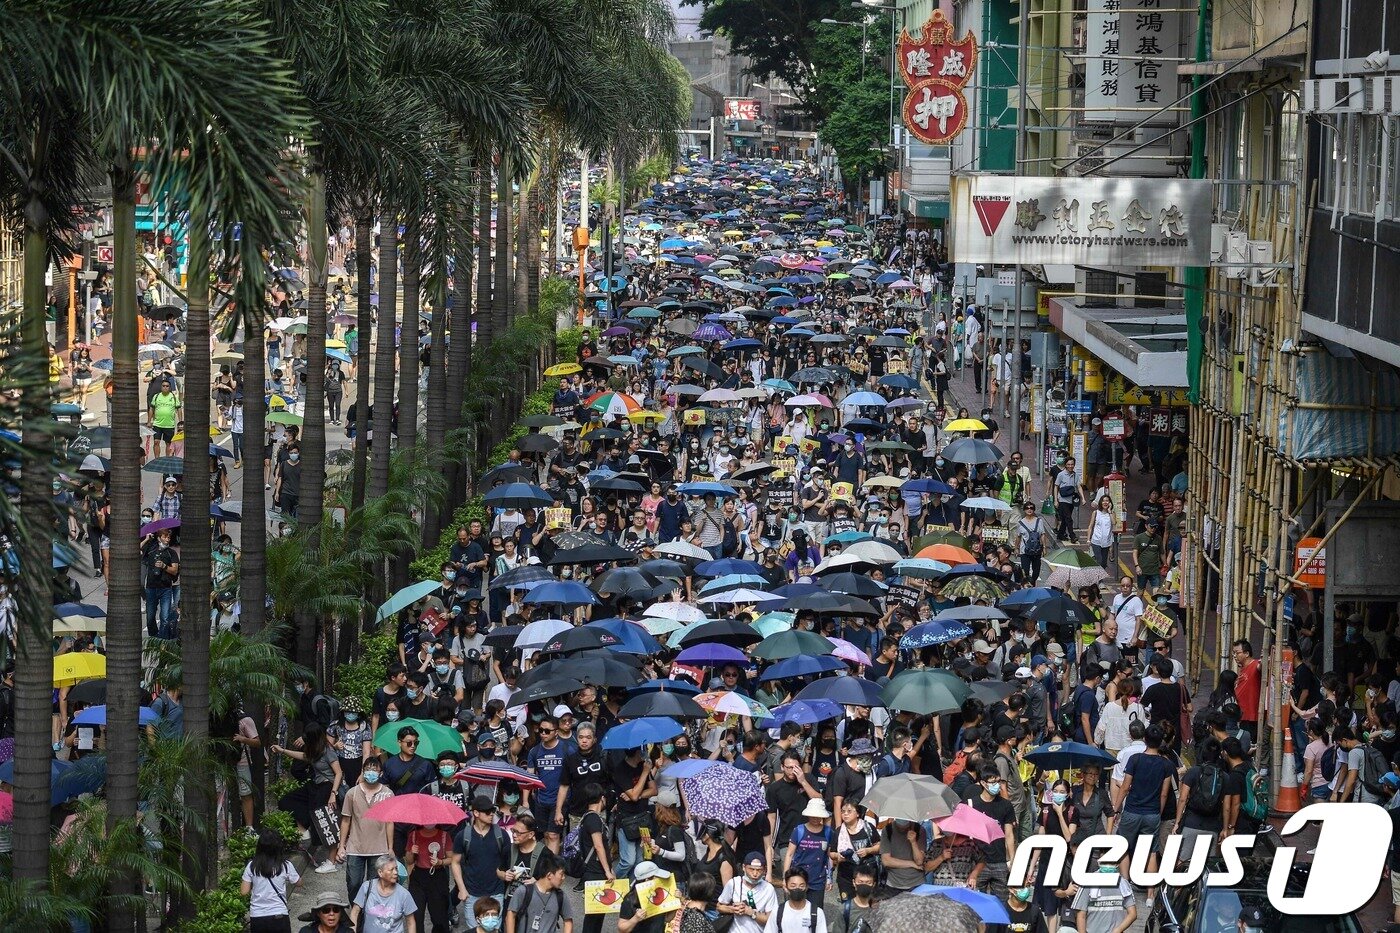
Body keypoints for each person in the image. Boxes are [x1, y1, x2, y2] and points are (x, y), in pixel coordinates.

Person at [458, 794, 512, 928]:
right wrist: (462, 889)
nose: (491, 814)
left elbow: (508, 861)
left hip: (496, 893)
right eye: (487, 812)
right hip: (472, 893)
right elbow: (455, 862)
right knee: (475, 929)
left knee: (493, 928)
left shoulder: (501, 835)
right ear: (476, 813)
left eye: (493, 810)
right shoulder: (464, 836)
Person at [406, 816, 467, 933]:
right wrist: (411, 852)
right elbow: (409, 861)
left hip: (437, 877)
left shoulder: (444, 835)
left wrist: (440, 862)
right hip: (418, 877)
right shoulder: (413, 835)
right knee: (416, 915)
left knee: (439, 916)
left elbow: (452, 859)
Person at [242, 827, 302, 933]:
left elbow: (244, 891)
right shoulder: (285, 865)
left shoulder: (252, 866)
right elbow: (298, 883)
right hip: (279, 915)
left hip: (257, 916)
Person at [505, 851, 573, 933]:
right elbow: (510, 915)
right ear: (549, 875)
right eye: (561, 874)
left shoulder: (561, 896)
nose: (563, 878)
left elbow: (568, 921)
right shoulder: (524, 891)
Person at [1068, 853, 1136, 933]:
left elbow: (1132, 913)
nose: (1107, 866)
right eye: (1104, 862)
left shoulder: (1123, 885)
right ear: (1098, 862)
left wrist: (1119, 929)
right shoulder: (1088, 883)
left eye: (1111, 862)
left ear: (1117, 864)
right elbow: (1081, 915)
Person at [350, 854, 418, 933]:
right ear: (380, 872)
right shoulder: (367, 887)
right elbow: (354, 913)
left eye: (396, 869)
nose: (396, 872)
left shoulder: (404, 894)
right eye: (391, 870)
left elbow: (411, 922)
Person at [719, 852, 779, 933]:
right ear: (744, 867)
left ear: (764, 870)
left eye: (759, 870)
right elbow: (719, 906)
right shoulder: (733, 883)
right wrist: (733, 909)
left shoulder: (768, 889)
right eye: (751, 869)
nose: (755, 874)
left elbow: (771, 919)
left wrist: (750, 912)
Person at [763, 868, 826, 933]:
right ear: (786, 887)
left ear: (806, 887)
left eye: (801, 886)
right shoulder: (777, 912)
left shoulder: (817, 913)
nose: (797, 889)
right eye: (793, 886)